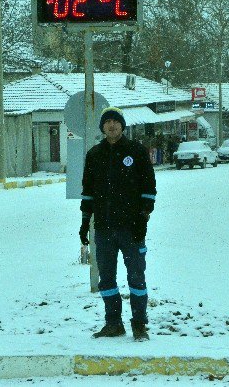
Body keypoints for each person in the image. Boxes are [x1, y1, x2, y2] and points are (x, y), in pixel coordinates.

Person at [79, 106, 156, 341]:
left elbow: (149, 189)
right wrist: (84, 223)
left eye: (116, 122)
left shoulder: (137, 151)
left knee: (136, 278)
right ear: (102, 127)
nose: (111, 125)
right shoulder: (94, 155)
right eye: (107, 122)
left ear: (122, 126)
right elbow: (88, 192)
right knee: (107, 280)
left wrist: (143, 218)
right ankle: (113, 323)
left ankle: (139, 325)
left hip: (132, 228)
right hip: (103, 229)